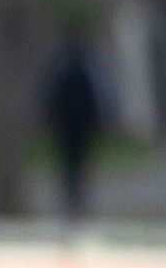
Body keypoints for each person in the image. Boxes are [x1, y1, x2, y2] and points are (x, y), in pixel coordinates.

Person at [36, 35, 111, 223]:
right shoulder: (82, 72)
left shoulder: (66, 72)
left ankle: (74, 200)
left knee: (72, 164)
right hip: (74, 127)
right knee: (74, 164)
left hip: (71, 127)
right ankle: (74, 200)